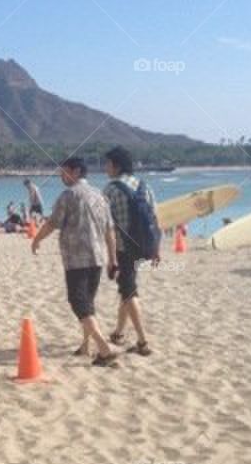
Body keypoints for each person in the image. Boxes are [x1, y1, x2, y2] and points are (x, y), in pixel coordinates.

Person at [32, 156, 120, 366]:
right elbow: (110, 230)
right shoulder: (100, 195)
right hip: (97, 257)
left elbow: (53, 223)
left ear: (77, 171)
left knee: (78, 303)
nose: (61, 176)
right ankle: (85, 345)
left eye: (64, 172)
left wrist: (36, 239)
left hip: (76, 259)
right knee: (88, 302)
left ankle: (104, 349)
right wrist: (112, 258)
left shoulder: (69, 195)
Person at [102, 145, 159, 356]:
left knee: (129, 291)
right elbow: (155, 219)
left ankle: (143, 342)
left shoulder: (110, 189)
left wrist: (110, 257)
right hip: (143, 246)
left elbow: (105, 225)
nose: (105, 167)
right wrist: (156, 249)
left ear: (116, 166)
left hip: (123, 250)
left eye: (107, 163)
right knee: (127, 288)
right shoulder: (145, 186)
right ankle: (118, 333)